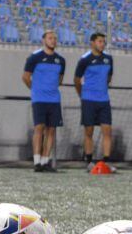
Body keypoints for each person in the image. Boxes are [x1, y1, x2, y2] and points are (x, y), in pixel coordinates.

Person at [22, 29, 65, 173]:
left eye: (54, 38)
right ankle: (37, 162)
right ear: (44, 40)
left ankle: (46, 161)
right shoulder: (34, 57)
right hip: (39, 99)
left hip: (54, 100)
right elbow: (26, 77)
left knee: (51, 130)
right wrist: (35, 91)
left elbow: (59, 80)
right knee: (39, 128)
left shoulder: (61, 60)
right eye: (50, 38)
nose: (53, 40)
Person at [74, 32, 115, 170]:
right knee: (89, 131)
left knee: (107, 130)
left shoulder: (108, 59)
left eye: (103, 41)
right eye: (99, 41)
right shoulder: (85, 59)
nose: (102, 44)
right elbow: (77, 80)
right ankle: (89, 161)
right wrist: (83, 95)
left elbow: (109, 77)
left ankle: (106, 161)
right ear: (92, 43)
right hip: (88, 100)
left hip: (104, 100)